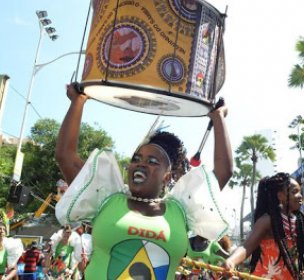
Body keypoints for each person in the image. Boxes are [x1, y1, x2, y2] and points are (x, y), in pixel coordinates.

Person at [54, 83, 232, 279]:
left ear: (167, 176)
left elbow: (223, 173)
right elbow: (65, 156)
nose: (141, 164)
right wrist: (77, 101)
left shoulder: (181, 211)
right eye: (136, 160)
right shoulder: (106, 198)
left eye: (152, 161)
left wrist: (218, 117)